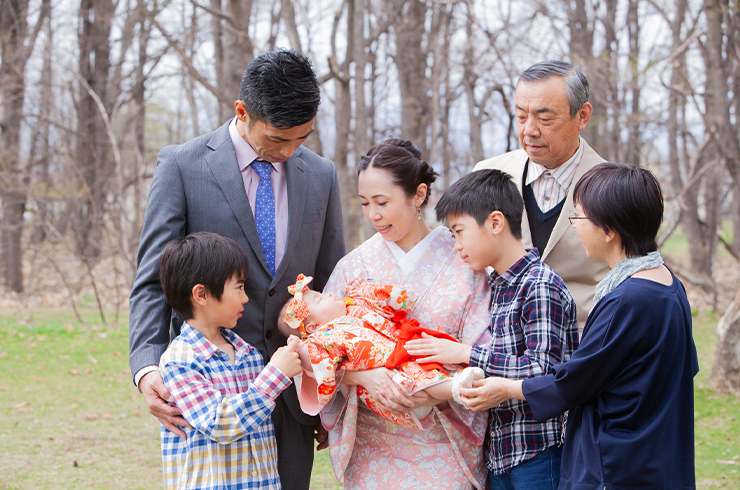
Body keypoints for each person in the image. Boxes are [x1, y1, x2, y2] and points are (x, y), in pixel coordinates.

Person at [128, 49, 345, 489]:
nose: (289, 152)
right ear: (242, 112)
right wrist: (148, 368)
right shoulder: (183, 166)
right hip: (210, 395)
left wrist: (330, 388)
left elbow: (329, 285)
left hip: (293, 391)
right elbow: (153, 280)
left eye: (301, 139)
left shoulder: (321, 175)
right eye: (279, 138)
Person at [460, 163, 699, 489]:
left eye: (579, 218)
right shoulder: (667, 284)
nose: (574, 227)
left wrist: (506, 388)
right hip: (661, 454)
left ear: (609, 229)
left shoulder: (629, 299)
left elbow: (575, 382)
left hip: (622, 464)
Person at [321, 138, 491, 489]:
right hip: (373, 443)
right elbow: (316, 350)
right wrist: (363, 377)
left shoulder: (464, 261)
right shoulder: (354, 267)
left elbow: (482, 352)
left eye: (382, 202)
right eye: (365, 203)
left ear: (418, 195)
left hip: (443, 438)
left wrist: (428, 390)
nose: (373, 215)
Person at [405, 169, 578, 489]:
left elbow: (545, 372)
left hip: (539, 451)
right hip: (498, 453)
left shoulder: (539, 285)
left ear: (495, 223)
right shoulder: (492, 286)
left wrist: (466, 353)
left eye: (459, 232)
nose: (455, 245)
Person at [157, 232, 302, 489]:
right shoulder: (180, 361)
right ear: (201, 294)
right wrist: (276, 375)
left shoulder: (248, 354)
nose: (245, 298)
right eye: (239, 287)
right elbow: (219, 424)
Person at [475, 60, 609, 325]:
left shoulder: (612, 187)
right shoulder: (485, 175)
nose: (529, 131)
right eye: (521, 117)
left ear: (582, 116)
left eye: (545, 118)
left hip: (584, 350)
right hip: (499, 351)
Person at [277, 273, 483, 429]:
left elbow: (402, 300)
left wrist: (366, 287)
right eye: (321, 299)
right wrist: (301, 347)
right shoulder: (323, 338)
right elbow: (321, 370)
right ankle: (459, 388)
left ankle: (462, 376)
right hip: (389, 382)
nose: (329, 294)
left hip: (406, 350)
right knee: (418, 379)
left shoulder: (356, 303)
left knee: (431, 355)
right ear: (312, 327)